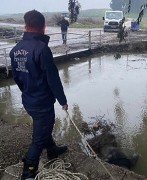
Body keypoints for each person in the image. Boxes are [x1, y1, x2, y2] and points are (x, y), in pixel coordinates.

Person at [9, 10, 68, 179]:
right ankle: (28, 171)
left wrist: (27, 93)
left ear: (25, 26)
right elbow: (53, 79)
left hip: (28, 100)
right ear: (43, 27)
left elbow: (17, 78)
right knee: (38, 138)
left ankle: (52, 150)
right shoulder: (42, 49)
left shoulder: (15, 50)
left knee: (43, 128)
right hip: (42, 103)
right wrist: (63, 101)